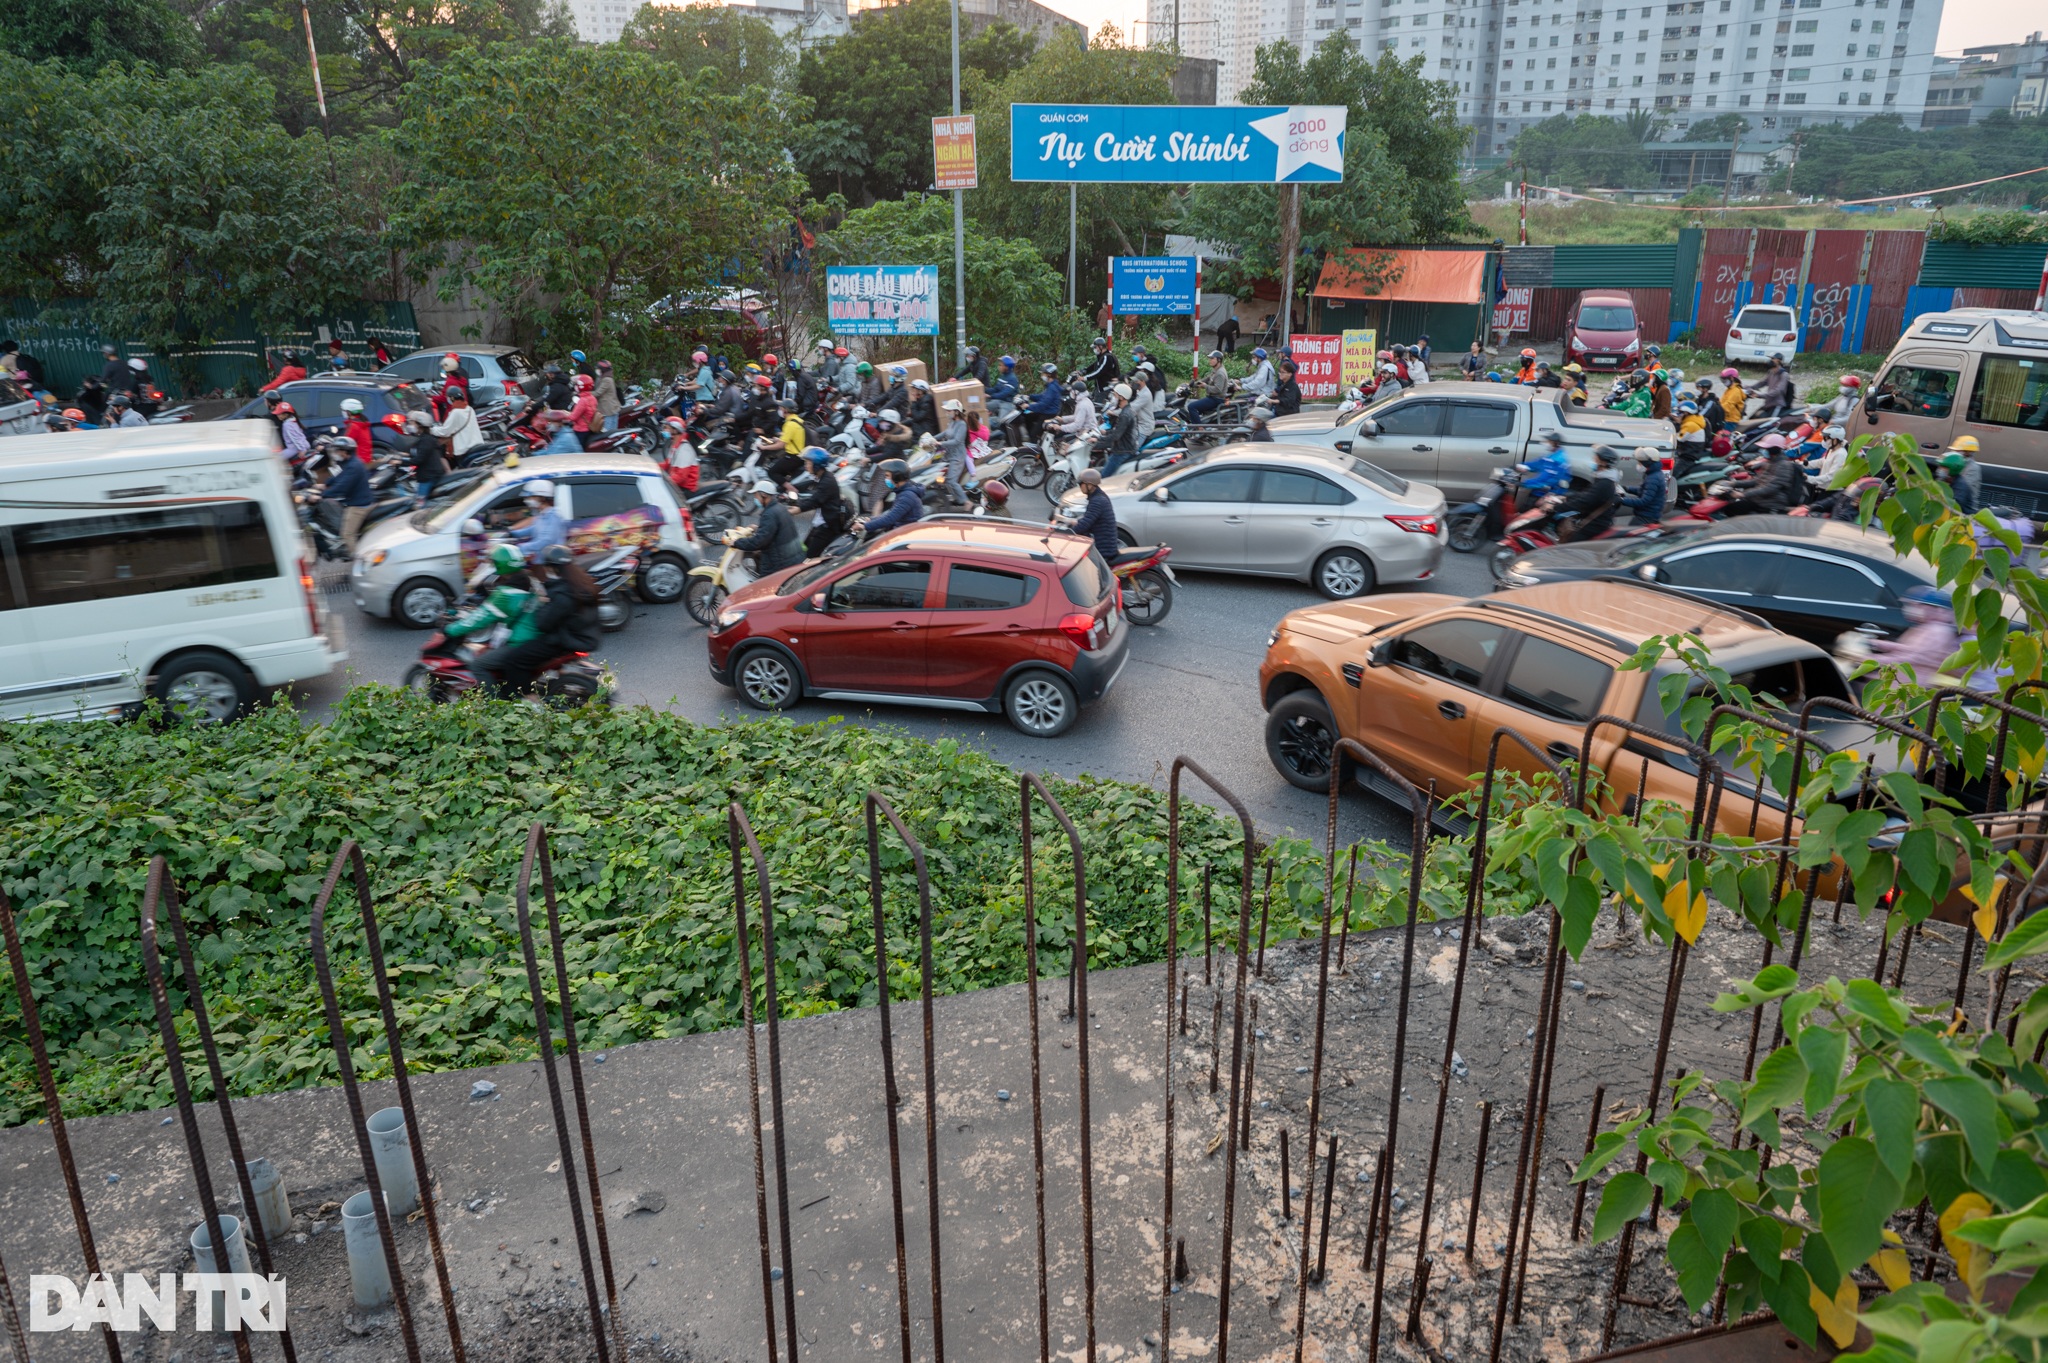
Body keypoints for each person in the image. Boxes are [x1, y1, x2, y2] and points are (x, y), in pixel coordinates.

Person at [481, 546, 602, 695]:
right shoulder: (582, 584)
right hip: (580, 636)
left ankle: (527, 700)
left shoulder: (562, 593)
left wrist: (540, 603)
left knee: (514, 660)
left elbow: (543, 623)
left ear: (551, 568)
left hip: (564, 639)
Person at [445, 546, 539, 660]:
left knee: (478, 665)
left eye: (494, 563)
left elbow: (477, 620)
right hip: (533, 635)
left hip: (519, 641)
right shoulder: (532, 581)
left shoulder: (506, 594)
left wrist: (449, 630)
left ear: (500, 565)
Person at [1865, 586, 1960, 685]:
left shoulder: (1939, 632)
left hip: (1910, 684)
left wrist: (1874, 659)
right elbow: (1907, 649)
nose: (1909, 608)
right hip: (1900, 678)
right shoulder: (1926, 627)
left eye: (1915, 605)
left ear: (1935, 609)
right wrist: (1875, 644)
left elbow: (1915, 657)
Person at [726, 479, 803, 575]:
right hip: (793, 558)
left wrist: (736, 543)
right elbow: (774, 531)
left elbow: (758, 542)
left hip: (780, 565)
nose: (755, 499)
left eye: (756, 496)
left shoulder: (769, 514)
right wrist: (757, 528)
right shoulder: (780, 508)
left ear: (764, 495)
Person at [1555, 445, 1623, 541]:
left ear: (1603, 462)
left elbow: (1585, 501)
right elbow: (1585, 494)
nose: (1593, 459)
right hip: (1591, 519)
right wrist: (1565, 498)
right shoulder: (1603, 478)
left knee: (1569, 544)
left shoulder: (1605, 483)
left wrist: (1557, 508)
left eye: (1595, 457)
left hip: (1595, 524)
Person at [795, 448, 853, 556]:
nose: (806, 465)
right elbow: (809, 491)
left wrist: (795, 510)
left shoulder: (827, 481)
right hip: (819, 524)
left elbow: (814, 501)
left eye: (808, 463)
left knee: (809, 558)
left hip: (827, 527)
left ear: (816, 465)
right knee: (803, 550)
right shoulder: (821, 477)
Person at [324, 436, 375, 551]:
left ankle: (359, 561)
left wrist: (323, 494)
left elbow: (342, 487)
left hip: (359, 506)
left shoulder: (353, 466)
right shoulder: (350, 462)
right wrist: (325, 484)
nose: (335, 453)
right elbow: (340, 477)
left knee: (347, 535)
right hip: (356, 500)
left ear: (345, 451)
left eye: (337, 450)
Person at [1724, 440, 1802, 516]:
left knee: (1732, 509)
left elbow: (1770, 488)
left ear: (1772, 449)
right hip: (1759, 499)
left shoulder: (1784, 466)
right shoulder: (1770, 462)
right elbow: (1757, 481)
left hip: (1771, 503)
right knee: (1729, 505)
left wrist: (1743, 494)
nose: (1764, 451)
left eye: (1766, 449)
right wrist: (1733, 484)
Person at [1061, 468, 1120, 562]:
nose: (1080, 486)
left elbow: (1085, 525)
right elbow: (1089, 518)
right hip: (1103, 544)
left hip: (1103, 550)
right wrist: (1072, 522)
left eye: (1081, 484)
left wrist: (1067, 533)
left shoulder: (1098, 501)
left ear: (1090, 485)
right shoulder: (1098, 496)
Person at [864, 459, 925, 537]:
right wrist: (872, 520)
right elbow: (891, 514)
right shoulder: (903, 491)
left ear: (897, 477)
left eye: (887, 476)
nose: (885, 479)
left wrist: (864, 526)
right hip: (902, 531)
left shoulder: (907, 496)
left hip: (904, 535)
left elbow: (890, 519)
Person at [509, 480, 569, 556]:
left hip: (550, 562)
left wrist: (522, 547)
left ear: (542, 498)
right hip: (539, 559)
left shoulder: (554, 516)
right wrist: (512, 533)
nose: (527, 500)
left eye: (530, 497)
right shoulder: (542, 514)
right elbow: (534, 529)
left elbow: (546, 541)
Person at [405, 411, 449, 505]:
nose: (410, 425)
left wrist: (399, 462)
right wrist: (404, 456)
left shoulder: (426, 440)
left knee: (419, 505)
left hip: (428, 476)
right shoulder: (425, 438)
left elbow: (419, 459)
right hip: (429, 474)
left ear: (420, 425)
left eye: (412, 423)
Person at [1616, 447, 1668, 525]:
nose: (1638, 465)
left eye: (1640, 463)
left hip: (1647, 517)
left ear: (1647, 463)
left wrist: (1621, 500)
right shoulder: (1654, 474)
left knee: (1630, 534)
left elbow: (1643, 501)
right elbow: (1644, 490)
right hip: (1649, 514)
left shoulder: (1653, 478)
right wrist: (1627, 488)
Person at [430, 386, 482, 465]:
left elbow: (445, 432)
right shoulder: (469, 409)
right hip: (476, 444)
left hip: (463, 449)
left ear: (452, 399)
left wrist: (431, 429)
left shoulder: (456, 412)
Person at [1517, 432, 1572, 504]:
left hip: (1547, 496)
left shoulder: (1558, 460)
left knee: (1525, 512)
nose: (1545, 443)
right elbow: (1536, 464)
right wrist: (1519, 466)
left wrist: (1524, 483)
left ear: (1555, 443)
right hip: (1541, 492)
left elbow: (1543, 480)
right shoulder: (1551, 456)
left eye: (1548, 441)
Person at [1101, 384, 1140, 475]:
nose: (1113, 398)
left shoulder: (1125, 415)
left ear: (1121, 397)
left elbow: (1116, 436)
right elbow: (1120, 431)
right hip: (1127, 448)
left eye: (1115, 395)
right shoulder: (1128, 410)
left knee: (1103, 477)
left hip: (1122, 452)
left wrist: (1098, 439)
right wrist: (1106, 432)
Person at [1022, 364, 1066, 445]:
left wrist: (1028, 406)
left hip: (1048, 414)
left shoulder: (1052, 388)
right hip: (1045, 411)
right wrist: (1029, 396)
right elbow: (1042, 396)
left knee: (1033, 434)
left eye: (1043, 373)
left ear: (1049, 375)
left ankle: (1036, 449)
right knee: (1026, 415)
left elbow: (1043, 404)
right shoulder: (1051, 385)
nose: (1042, 375)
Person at [937, 399, 971, 505]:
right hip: (948, 455)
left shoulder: (961, 424)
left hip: (957, 457)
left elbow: (957, 441)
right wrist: (930, 438)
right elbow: (945, 433)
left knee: (951, 480)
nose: (947, 413)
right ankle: (958, 499)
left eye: (949, 411)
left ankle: (966, 502)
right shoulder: (952, 422)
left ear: (956, 412)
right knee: (943, 479)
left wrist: (940, 444)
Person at [1942, 437, 1983, 515]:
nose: (1953, 452)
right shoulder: (1958, 464)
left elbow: (1962, 490)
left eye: (1957, 451)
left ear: (1968, 452)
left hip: (1965, 509)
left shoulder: (1973, 469)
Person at [338, 397, 373, 463]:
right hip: (365, 458)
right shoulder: (362, 422)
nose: (342, 412)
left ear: (349, 412)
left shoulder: (354, 426)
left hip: (357, 461)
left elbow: (346, 443)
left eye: (344, 410)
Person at [987, 355, 1021, 420]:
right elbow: (996, 389)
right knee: (983, 407)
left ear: (1007, 367)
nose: (998, 367)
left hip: (1008, 403)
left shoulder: (1012, 379)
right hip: (1000, 401)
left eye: (1000, 365)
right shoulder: (1002, 376)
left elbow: (1004, 394)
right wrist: (983, 390)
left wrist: (990, 396)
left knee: (1001, 421)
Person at [593, 360, 621, 432]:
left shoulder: (606, 380)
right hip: (611, 408)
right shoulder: (606, 377)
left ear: (602, 370)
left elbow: (598, 393)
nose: (597, 370)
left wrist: (584, 393)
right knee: (612, 431)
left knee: (607, 432)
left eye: (598, 369)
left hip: (608, 409)